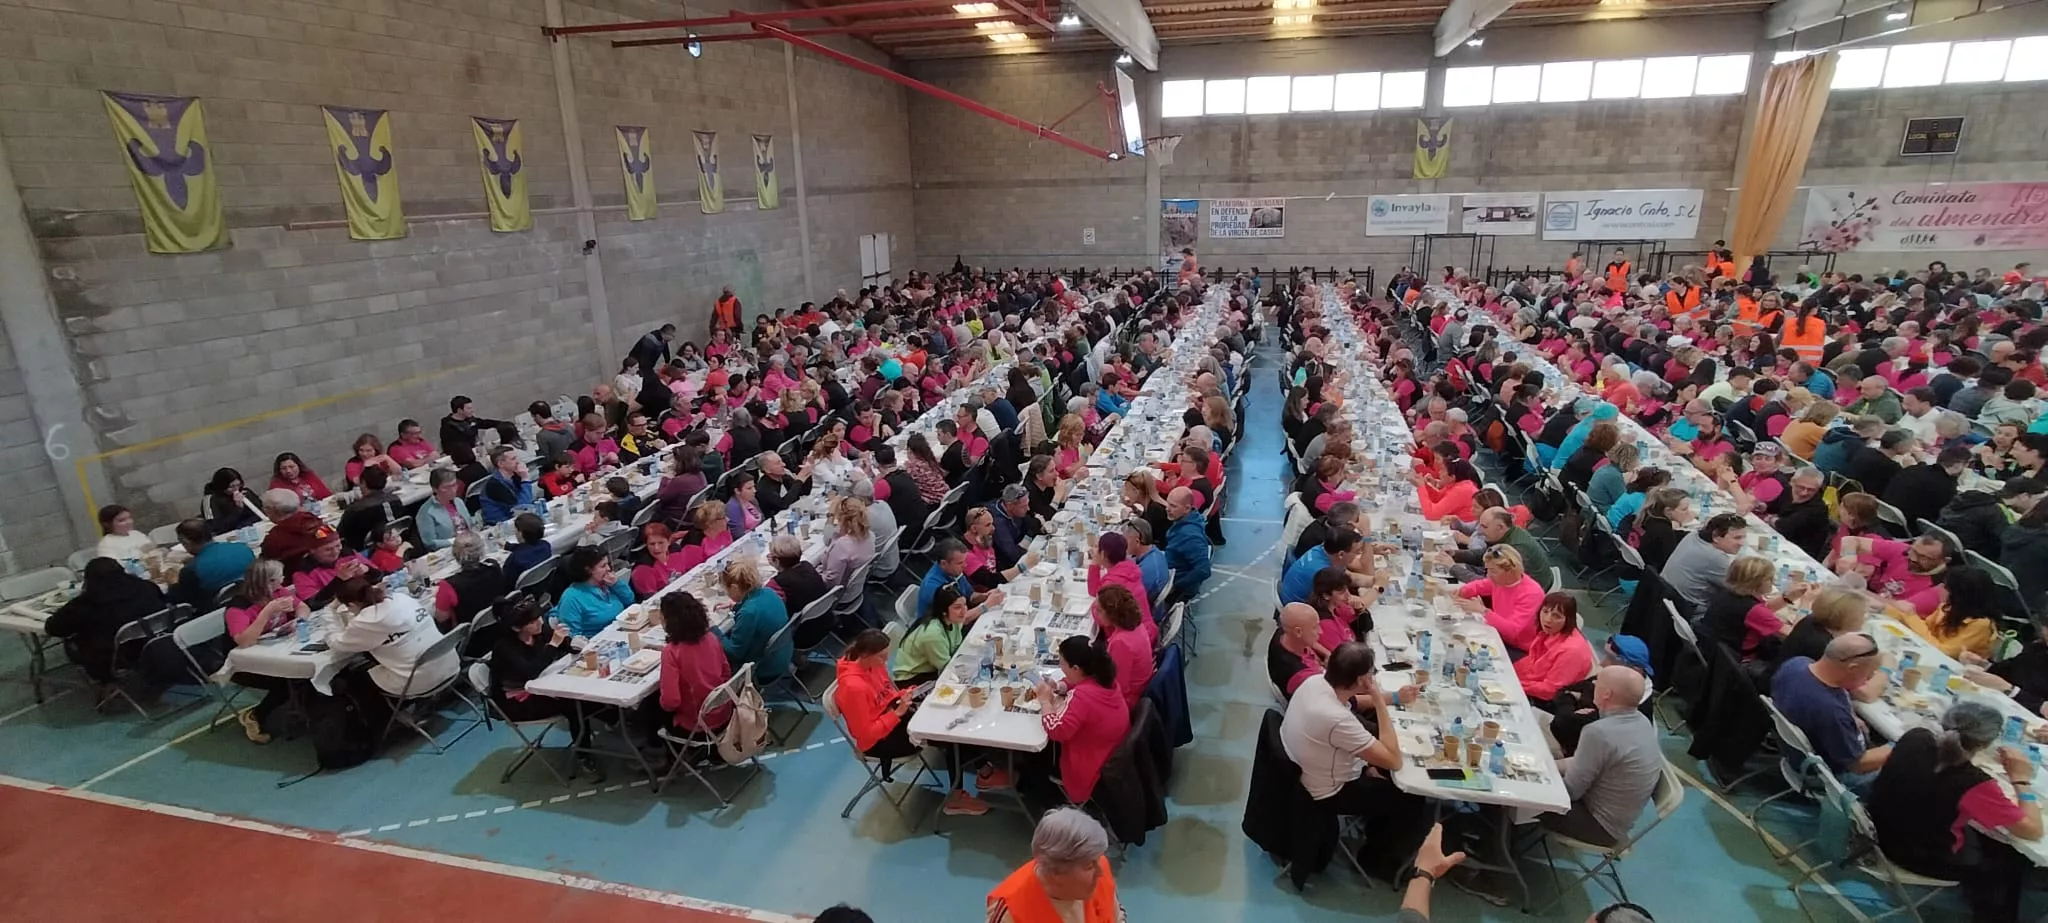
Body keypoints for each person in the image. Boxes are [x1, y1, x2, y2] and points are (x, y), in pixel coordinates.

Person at [1867, 700, 2040, 923]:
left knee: (1981, 834)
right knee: (2010, 862)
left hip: (1875, 829)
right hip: (1912, 853)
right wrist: (2021, 780)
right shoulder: (1974, 783)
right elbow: (2032, 830)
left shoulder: (1915, 737)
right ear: (1987, 742)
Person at [1278, 641, 1432, 882]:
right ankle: (1377, 861)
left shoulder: (1316, 683)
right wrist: (1380, 701)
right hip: (1327, 792)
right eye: (1371, 673)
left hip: (1306, 769)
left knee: (1382, 768)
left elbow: (1353, 703)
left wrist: (1393, 697)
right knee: (1409, 795)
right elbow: (1393, 760)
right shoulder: (1336, 719)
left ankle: (1375, 830)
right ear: (1361, 680)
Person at [833, 628, 992, 816]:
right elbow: (866, 735)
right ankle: (958, 797)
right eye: (881, 657)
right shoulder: (853, 688)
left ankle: (984, 770)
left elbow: (886, 694)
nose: (885, 662)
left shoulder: (872, 665)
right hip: (879, 742)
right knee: (949, 738)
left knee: (949, 719)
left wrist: (905, 695)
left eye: (886, 656)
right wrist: (897, 713)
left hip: (895, 718)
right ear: (866, 654)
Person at [1539, 666, 1662, 848]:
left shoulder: (1598, 732)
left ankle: (1496, 849)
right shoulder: (1642, 722)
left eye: (1597, 683)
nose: (1593, 685)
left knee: (1519, 791)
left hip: (1597, 825)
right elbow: (1584, 762)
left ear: (1606, 694)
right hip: (1617, 824)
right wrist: (1547, 765)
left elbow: (1570, 791)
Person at [488, 596, 601, 779]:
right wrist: (553, 644)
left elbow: (563, 645)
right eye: (532, 621)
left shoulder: (539, 631)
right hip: (517, 700)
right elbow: (530, 671)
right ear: (517, 627)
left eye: (539, 617)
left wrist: (572, 644)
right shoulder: (504, 647)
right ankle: (584, 756)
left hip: (542, 684)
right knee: (575, 704)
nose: (540, 622)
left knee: (585, 690)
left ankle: (614, 719)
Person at [1770, 633, 1892, 790]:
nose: (1867, 679)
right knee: (1912, 768)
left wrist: (1851, 716)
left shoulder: (1796, 664)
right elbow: (1858, 765)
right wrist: (1899, 746)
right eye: (1867, 674)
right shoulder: (1831, 711)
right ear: (1852, 668)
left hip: (1795, 753)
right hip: (1829, 776)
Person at [1033, 635, 1131, 806]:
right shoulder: (1105, 679)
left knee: (1036, 757)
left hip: (1090, 767)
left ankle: (1042, 798)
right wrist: (1060, 686)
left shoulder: (1082, 697)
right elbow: (1078, 683)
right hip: (1111, 754)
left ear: (1076, 668)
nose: (1060, 667)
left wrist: (1045, 701)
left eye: (1062, 663)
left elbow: (1057, 731)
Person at [219, 559, 308, 742]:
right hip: (243, 663)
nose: (283, 580)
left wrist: (298, 621)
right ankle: (254, 715)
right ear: (267, 582)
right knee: (286, 680)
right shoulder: (238, 608)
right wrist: (266, 613)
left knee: (303, 670)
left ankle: (309, 708)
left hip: (273, 648)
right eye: (278, 578)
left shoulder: (278, 592)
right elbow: (244, 641)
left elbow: (302, 607)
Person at [985, 807, 1126, 923]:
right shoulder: (1011, 912)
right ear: (1056, 872)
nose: (1100, 871)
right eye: (1089, 865)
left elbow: (1116, 915)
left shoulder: (1100, 867)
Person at [46, 557, 167, 686]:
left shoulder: (85, 605)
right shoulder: (146, 587)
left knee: (73, 639)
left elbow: (53, 628)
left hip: (110, 660)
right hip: (155, 645)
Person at [328, 577, 456, 698]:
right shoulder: (401, 598)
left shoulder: (364, 622)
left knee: (356, 677)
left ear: (351, 605)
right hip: (450, 663)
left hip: (419, 680)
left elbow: (337, 644)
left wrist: (329, 613)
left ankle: (389, 717)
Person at [652, 591, 735, 738]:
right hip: (725, 714)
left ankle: (655, 747)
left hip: (696, 725)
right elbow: (726, 673)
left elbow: (671, 701)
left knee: (650, 705)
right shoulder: (711, 638)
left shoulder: (671, 652)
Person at [714, 556, 793, 685]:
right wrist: (737, 605)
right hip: (783, 654)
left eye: (726, 589)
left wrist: (713, 629)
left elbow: (734, 652)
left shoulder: (748, 612)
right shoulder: (769, 592)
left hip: (763, 668)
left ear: (734, 588)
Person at [1896, 566, 2001, 660]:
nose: (1941, 589)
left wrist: (1912, 617)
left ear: (1959, 594)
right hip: (1928, 654)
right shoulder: (1947, 607)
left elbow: (1944, 652)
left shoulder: (1981, 624)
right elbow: (1926, 629)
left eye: (1946, 587)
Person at [1455, 545, 1545, 652]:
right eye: (1487, 570)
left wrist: (1483, 611)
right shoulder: (1500, 580)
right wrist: (1462, 592)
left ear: (1510, 571)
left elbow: (1513, 631)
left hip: (1517, 646)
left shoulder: (1531, 594)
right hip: (1497, 633)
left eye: (1493, 571)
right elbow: (1479, 586)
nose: (1489, 575)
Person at [1514, 592, 1596, 707]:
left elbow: (1551, 691)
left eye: (1556, 616)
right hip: (1532, 684)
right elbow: (1532, 660)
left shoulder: (1571, 651)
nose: (1548, 619)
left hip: (1547, 701)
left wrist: (1515, 684)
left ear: (1568, 619)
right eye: (1545, 611)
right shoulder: (1551, 631)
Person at [1660, 514, 1748, 612]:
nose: (1742, 543)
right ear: (1716, 536)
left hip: (1668, 600)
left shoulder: (1693, 536)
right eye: (1737, 538)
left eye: (1744, 537)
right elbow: (1739, 589)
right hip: (1689, 610)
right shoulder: (1715, 557)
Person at [168, 516, 253, 608]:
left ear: (185, 542)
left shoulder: (191, 570)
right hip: (253, 600)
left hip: (216, 611)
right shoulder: (243, 548)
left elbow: (190, 602)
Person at [1092, 584, 1154, 709]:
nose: (1095, 613)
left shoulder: (1121, 643)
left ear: (1112, 614)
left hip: (1128, 701)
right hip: (1139, 689)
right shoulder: (1136, 626)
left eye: (1099, 610)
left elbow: (1118, 686)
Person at [552, 546, 634, 638]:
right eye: (603, 566)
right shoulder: (571, 597)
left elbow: (630, 601)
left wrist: (617, 584)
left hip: (622, 630)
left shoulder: (608, 582)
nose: (608, 569)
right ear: (588, 570)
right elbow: (572, 636)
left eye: (608, 564)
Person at [1085, 531, 1153, 628]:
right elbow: (1095, 592)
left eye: (1097, 547)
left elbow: (1100, 618)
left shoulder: (1112, 583)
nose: (1094, 550)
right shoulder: (1128, 568)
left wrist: (1094, 564)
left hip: (1130, 635)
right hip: (1145, 628)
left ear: (1103, 554)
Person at [1162, 486, 1212, 596]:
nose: (1167, 509)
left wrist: (1176, 585)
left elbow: (1204, 570)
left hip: (1176, 586)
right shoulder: (1185, 520)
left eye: (1173, 506)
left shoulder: (1190, 536)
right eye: (1168, 503)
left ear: (1187, 508)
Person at [478, 446, 536, 526]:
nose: (518, 462)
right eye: (513, 459)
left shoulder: (514, 477)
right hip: (499, 527)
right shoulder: (494, 485)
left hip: (514, 521)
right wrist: (525, 479)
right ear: (501, 464)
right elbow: (522, 509)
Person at [202, 467, 261, 534]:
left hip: (249, 529)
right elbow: (215, 527)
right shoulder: (210, 500)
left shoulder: (244, 492)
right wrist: (238, 509)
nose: (236, 489)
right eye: (231, 487)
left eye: (238, 485)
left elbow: (260, 511)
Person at [502, 512, 554, 579]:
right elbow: (526, 548)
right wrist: (508, 546)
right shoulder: (545, 545)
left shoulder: (514, 559)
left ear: (520, 533)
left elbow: (506, 580)